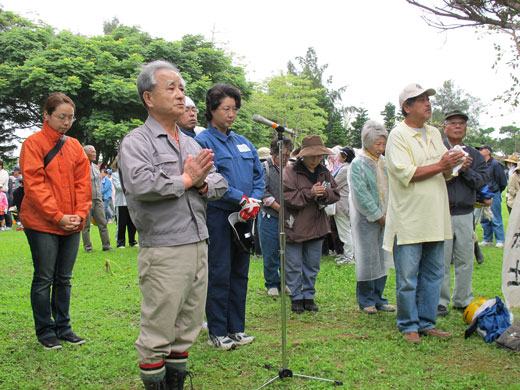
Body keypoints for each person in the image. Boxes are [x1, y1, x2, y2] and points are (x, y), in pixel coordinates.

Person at [119, 60, 227, 390]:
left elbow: (219, 182)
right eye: (171, 88)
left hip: (198, 242)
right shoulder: (136, 142)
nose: (181, 95)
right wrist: (187, 178)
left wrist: (203, 184)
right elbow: (141, 185)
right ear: (149, 98)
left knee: (188, 325)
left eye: (182, 88)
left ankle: (176, 383)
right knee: (159, 328)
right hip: (164, 248)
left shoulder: (191, 142)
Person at [383, 83, 464, 343]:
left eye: (428, 99)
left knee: (433, 274)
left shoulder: (433, 132)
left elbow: (444, 172)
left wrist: (453, 163)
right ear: (406, 107)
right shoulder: (398, 135)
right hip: (409, 219)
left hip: (435, 217)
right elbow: (405, 173)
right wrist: (442, 164)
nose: (428, 104)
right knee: (407, 277)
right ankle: (408, 325)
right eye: (420, 100)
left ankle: (427, 322)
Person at [19, 92, 92, 350]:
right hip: (42, 223)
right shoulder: (33, 144)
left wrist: (81, 215)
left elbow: (84, 185)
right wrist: (57, 216)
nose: (66, 122)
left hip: (71, 221)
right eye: (61, 117)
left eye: (71, 117)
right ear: (46, 115)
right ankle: (45, 330)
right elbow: (34, 185)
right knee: (44, 278)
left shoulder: (73, 146)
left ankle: (64, 327)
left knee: (64, 278)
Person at [195, 83, 264, 351]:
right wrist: (240, 198)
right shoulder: (203, 142)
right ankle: (218, 330)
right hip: (219, 217)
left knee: (240, 272)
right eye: (226, 108)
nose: (231, 114)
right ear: (212, 110)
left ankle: (237, 327)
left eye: (235, 109)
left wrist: (254, 199)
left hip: (245, 216)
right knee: (220, 272)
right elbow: (210, 179)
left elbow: (258, 174)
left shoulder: (244, 142)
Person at [437, 110, 488, 317]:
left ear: (466, 129)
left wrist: (466, 169)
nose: (458, 126)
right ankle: (440, 301)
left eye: (462, 124)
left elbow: (482, 181)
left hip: (466, 212)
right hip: (442, 211)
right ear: (445, 127)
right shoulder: (438, 150)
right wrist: (449, 165)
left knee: (465, 257)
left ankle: (463, 299)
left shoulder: (474, 155)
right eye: (453, 123)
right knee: (441, 257)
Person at [283, 135, 340, 313]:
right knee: (293, 264)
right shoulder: (290, 171)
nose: (316, 160)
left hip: (317, 226)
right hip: (295, 226)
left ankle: (309, 296)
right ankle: (296, 297)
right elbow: (287, 197)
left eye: (319, 156)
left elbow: (335, 193)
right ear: (302, 155)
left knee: (312, 264)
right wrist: (310, 193)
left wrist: (324, 194)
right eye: (312, 156)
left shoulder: (324, 172)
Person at [349, 121, 394, 314]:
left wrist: (389, 215)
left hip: (387, 218)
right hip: (366, 220)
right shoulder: (358, 164)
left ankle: (379, 297)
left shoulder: (384, 162)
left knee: (383, 257)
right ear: (367, 142)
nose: (381, 148)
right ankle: (366, 299)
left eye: (384, 144)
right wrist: (377, 215)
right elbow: (361, 194)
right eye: (378, 144)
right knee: (368, 258)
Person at [258, 134, 293, 296]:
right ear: (274, 153)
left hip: (288, 218)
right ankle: (272, 283)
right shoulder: (265, 167)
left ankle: (284, 282)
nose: (285, 158)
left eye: (288, 155)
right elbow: (262, 193)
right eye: (282, 155)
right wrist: (280, 208)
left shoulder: (291, 169)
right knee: (271, 251)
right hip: (269, 217)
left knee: (286, 251)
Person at [81, 145, 114, 252]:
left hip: (98, 199)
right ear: (85, 153)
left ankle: (106, 246)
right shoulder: (80, 166)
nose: (95, 154)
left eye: (95, 151)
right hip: (86, 200)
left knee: (102, 223)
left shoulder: (95, 167)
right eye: (92, 152)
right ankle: (88, 247)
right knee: (86, 226)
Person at [478, 144, 507, 248]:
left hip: (493, 193)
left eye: (481, 149)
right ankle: (487, 239)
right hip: (483, 194)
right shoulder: (481, 164)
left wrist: (496, 191)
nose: (479, 151)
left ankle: (500, 240)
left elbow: (502, 182)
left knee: (495, 217)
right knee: (485, 218)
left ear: (488, 151)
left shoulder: (495, 164)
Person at [333, 146, 356, 264]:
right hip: (346, 203)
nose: (337, 156)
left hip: (342, 203)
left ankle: (349, 256)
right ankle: (349, 254)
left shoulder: (345, 169)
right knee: (347, 229)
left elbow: (334, 183)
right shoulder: (348, 167)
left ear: (345, 156)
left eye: (339, 154)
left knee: (344, 231)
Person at [110, 157, 137, 248]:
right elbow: (119, 187)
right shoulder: (115, 175)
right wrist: (130, 185)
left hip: (130, 202)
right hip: (121, 202)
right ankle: (120, 242)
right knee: (121, 223)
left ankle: (132, 240)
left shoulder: (129, 174)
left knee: (132, 223)